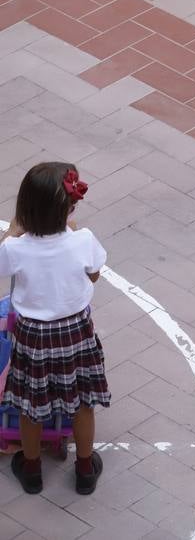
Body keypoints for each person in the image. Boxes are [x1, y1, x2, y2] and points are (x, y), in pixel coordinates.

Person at [0, 163, 110, 495]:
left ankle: (32, 470)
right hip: (76, 331)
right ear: (69, 208)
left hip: (33, 336)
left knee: (29, 404)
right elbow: (94, 275)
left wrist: (12, 232)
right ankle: (86, 468)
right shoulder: (83, 239)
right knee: (82, 402)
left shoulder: (15, 248)